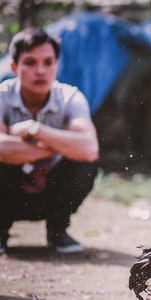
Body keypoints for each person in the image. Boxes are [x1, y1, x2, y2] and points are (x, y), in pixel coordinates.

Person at [0, 28, 99, 255]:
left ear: (56, 65)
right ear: (14, 67)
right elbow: (1, 149)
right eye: (30, 62)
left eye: (48, 62)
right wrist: (55, 148)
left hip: (50, 191)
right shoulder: (2, 96)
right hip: (9, 192)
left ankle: (57, 228)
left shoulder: (70, 97)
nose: (40, 70)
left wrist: (34, 129)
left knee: (86, 164)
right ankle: (1, 229)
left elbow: (89, 149)